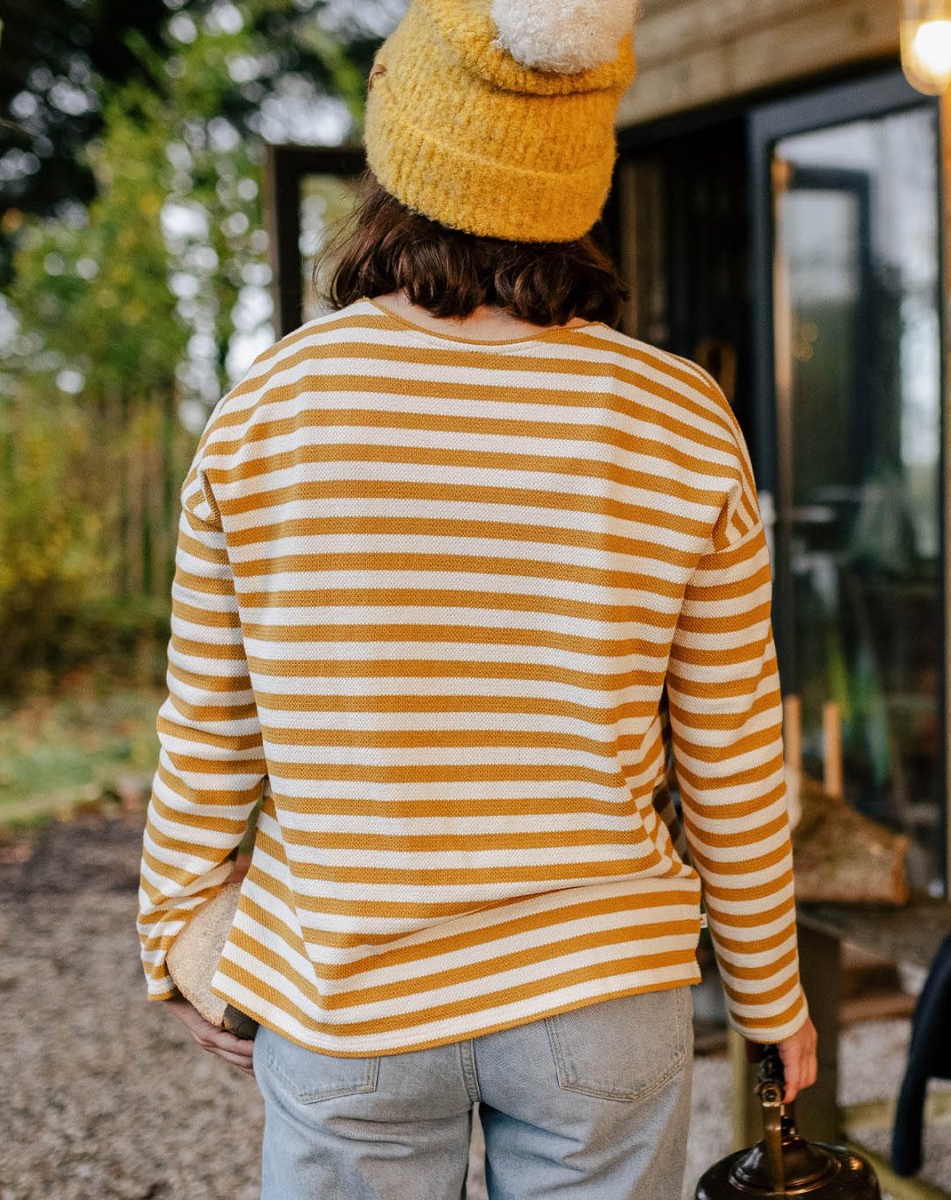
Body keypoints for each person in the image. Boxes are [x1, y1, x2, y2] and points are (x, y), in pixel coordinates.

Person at [137, 1, 817, 1197]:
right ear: (579, 173)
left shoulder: (269, 414)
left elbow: (210, 728)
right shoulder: (677, 419)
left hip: (349, 1001)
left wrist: (186, 934)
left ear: (399, 151)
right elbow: (731, 751)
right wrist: (773, 1000)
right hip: (599, 995)